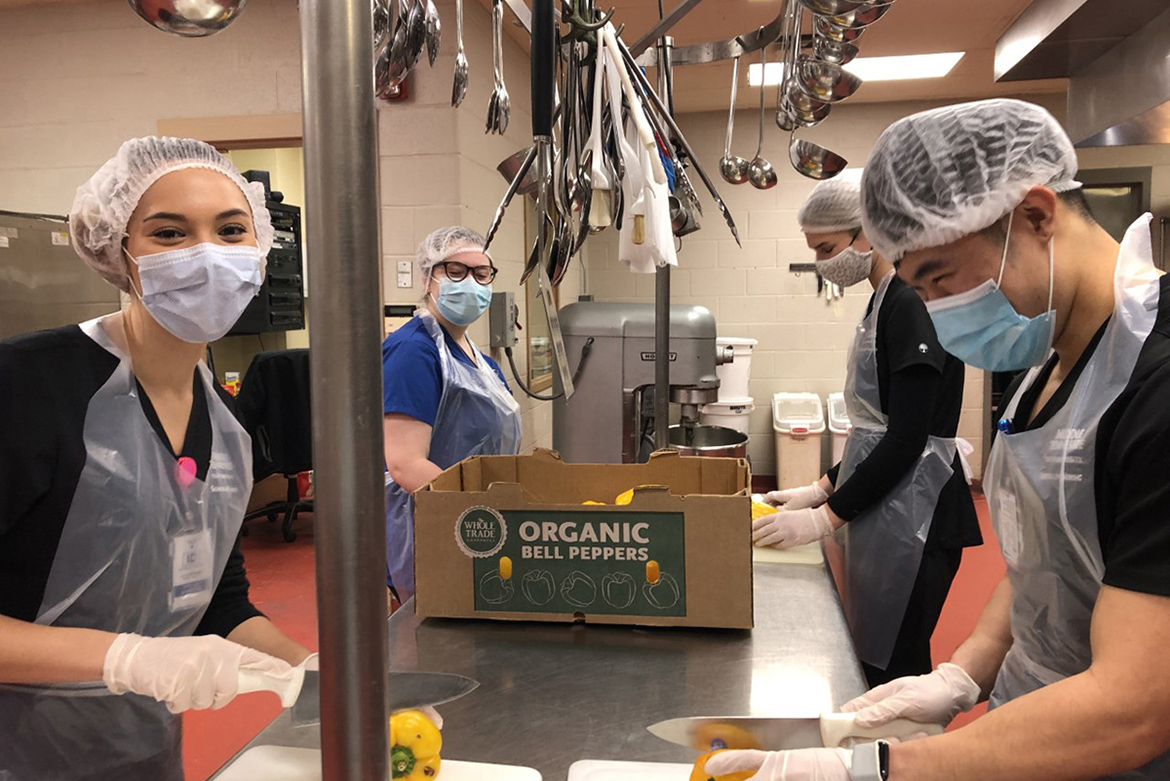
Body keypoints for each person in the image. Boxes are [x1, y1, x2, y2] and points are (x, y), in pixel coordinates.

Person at [706, 99, 1170, 780]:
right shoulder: (1048, 364)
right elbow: (1051, 558)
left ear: (1037, 217)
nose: (936, 314)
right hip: (1029, 731)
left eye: (940, 279)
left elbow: (1135, 705)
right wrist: (967, 667)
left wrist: (883, 767)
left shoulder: (1154, 387)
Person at [0, 137, 312, 781]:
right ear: (118, 251)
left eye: (231, 231)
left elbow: (220, 606)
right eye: (169, 233)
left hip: (141, 757)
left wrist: (305, 670)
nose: (208, 254)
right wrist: (128, 660)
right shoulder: (26, 386)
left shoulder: (225, 427)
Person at [755, 171, 981, 687]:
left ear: (868, 232)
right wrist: (821, 486)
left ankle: (904, 763)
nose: (821, 263)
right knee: (871, 659)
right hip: (894, 504)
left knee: (896, 668)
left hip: (922, 515)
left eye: (827, 248)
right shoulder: (882, 300)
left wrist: (823, 518)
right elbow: (874, 431)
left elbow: (909, 438)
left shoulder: (909, 302)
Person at [382, 227, 521, 605]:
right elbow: (406, 466)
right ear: (428, 278)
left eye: (482, 273)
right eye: (455, 271)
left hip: (475, 522)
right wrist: (483, 509)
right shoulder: (413, 351)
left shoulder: (481, 360)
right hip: (433, 525)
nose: (472, 283)